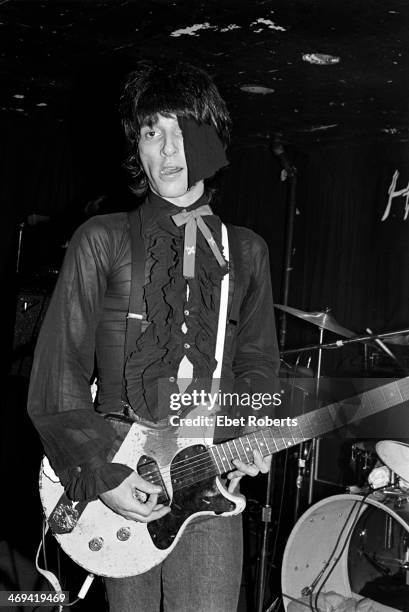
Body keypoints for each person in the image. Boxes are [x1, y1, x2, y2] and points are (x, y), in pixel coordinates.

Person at [28, 60, 280, 612]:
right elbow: (58, 373)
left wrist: (252, 426)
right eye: (151, 132)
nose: (168, 151)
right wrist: (101, 472)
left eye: (183, 132)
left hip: (207, 480)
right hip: (123, 468)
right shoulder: (102, 239)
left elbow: (258, 367)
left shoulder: (250, 252)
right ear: (136, 148)